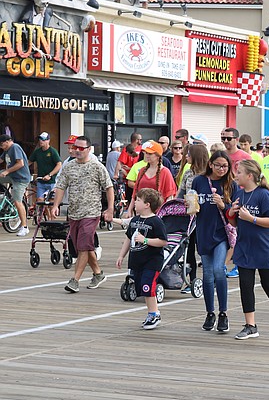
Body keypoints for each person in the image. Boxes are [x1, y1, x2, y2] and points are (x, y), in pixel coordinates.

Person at [228, 159, 269, 339]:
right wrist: (232, 213)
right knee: (245, 285)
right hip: (245, 246)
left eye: (239, 172)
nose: (236, 175)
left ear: (249, 176)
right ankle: (250, 325)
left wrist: (252, 219)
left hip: (264, 246)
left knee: (268, 284)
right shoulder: (239, 194)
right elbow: (235, 222)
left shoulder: (264, 195)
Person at [52, 135, 114, 293]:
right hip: (73, 213)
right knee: (85, 246)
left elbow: (108, 187)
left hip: (91, 212)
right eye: (75, 148)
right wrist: (55, 205)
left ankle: (75, 280)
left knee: (83, 247)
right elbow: (61, 186)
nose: (76, 151)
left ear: (88, 149)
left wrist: (110, 208)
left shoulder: (97, 166)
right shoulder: (69, 166)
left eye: (80, 148)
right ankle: (98, 274)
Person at [191, 150, 241, 333]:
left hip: (221, 233)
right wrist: (191, 206)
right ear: (210, 164)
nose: (222, 169)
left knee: (219, 270)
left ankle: (223, 313)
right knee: (207, 274)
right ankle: (210, 312)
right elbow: (192, 204)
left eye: (225, 166)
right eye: (218, 165)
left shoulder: (231, 184)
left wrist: (223, 205)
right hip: (203, 232)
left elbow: (235, 210)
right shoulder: (199, 181)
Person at [116, 188, 168, 329]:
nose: (135, 203)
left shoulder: (156, 222)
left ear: (147, 204)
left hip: (152, 261)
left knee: (148, 287)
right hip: (137, 260)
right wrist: (121, 255)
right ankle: (151, 313)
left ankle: (154, 314)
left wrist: (145, 240)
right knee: (141, 287)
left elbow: (163, 241)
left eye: (138, 200)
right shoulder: (135, 220)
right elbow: (128, 238)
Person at [177, 143, 209, 293]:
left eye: (188, 154)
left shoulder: (207, 174)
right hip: (189, 215)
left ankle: (210, 278)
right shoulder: (188, 173)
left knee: (204, 249)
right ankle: (192, 279)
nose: (186, 157)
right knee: (189, 248)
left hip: (205, 216)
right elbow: (181, 191)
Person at [125, 141, 177, 216]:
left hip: (158, 214)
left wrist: (164, 214)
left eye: (150, 153)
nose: (146, 155)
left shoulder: (165, 172)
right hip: (141, 213)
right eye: (145, 153)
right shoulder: (142, 170)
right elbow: (135, 193)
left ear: (158, 155)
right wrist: (129, 210)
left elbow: (170, 196)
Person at [0, 134, 31, 236]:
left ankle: (24, 227)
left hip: (20, 178)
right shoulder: (6, 150)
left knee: (18, 202)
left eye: (2, 144)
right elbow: (1, 160)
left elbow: (20, 163)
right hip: (12, 176)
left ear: (8, 141)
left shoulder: (15, 147)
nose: (1, 147)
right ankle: (5, 198)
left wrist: (7, 171)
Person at [28, 132, 62, 220]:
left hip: (52, 181)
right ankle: (47, 217)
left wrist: (50, 175)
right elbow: (29, 162)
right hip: (41, 181)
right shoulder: (37, 152)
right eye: (40, 139)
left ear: (48, 140)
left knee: (51, 203)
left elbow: (59, 164)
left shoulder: (52, 151)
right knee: (40, 201)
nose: (41, 141)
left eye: (43, 139)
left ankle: (52, 220)